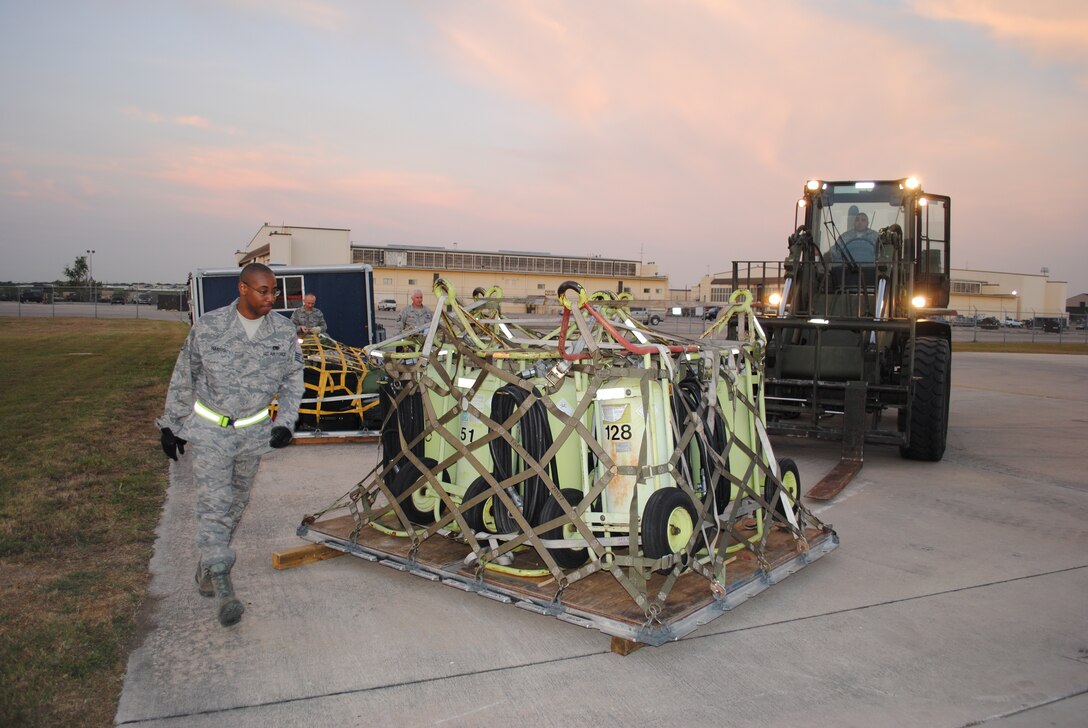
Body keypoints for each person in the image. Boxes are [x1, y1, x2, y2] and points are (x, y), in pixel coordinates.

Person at [156, 262, 304, 627]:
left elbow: (293, 380)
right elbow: (184, 374)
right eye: (264, 291)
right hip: (211, 431)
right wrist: (171, 425)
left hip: (252, 435)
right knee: (213, 504)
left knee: (235, 504)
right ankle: (223, 586)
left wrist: (286, 422)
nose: (272, 297)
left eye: (274, 291)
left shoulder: (283, 332)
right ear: (243, 289)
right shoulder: (209, 327)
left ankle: (207, 564)